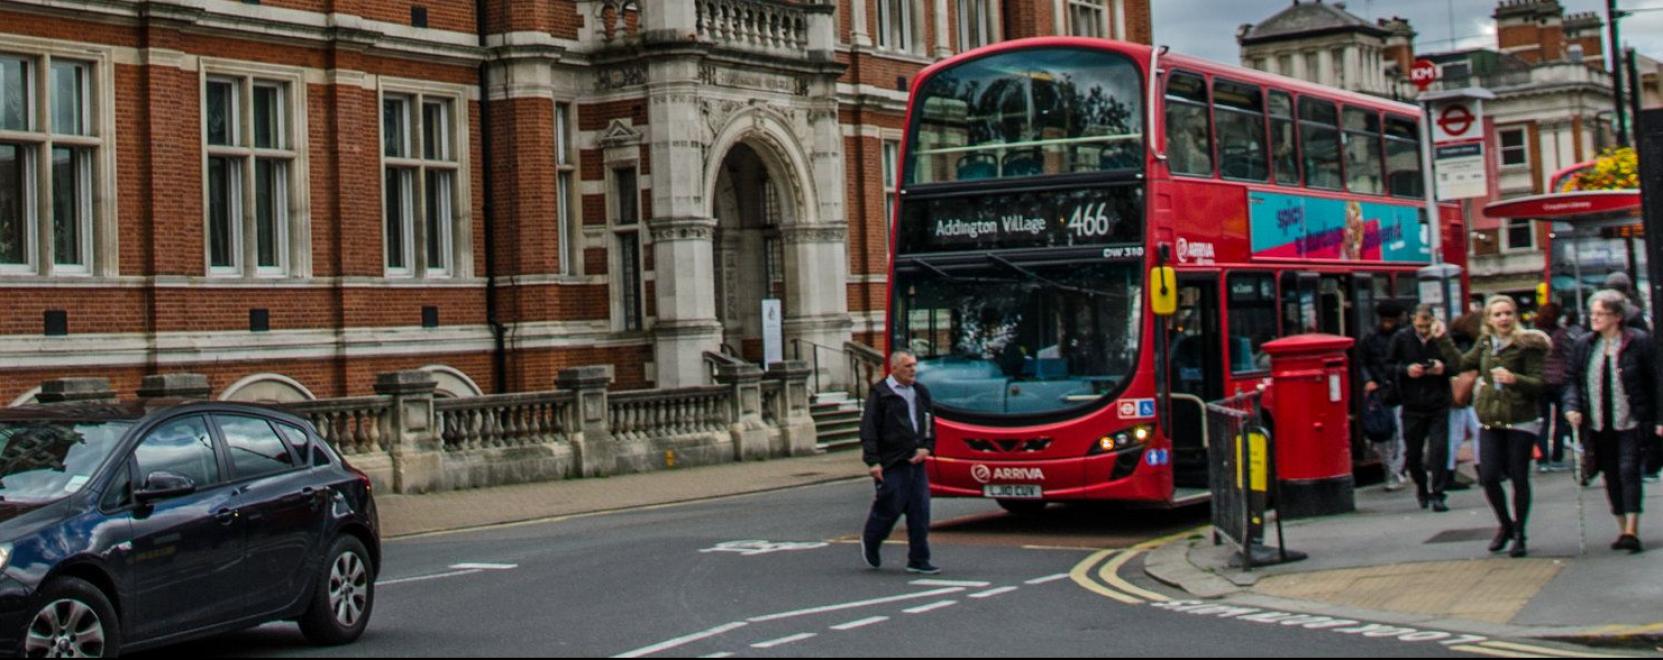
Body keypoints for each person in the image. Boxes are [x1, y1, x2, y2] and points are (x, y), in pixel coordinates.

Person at [1452, 296, 1550, 558]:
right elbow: (1462, 363)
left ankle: (1520, 533)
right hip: (1492, 417)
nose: (1503, 318)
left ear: (1515, 316)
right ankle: (1506, 525)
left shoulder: (1528, 344)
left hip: (1520, 418)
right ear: (1489, 319)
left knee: (1518, 476)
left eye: (1508, 313)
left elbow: (1539, 383)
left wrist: (1513, 378)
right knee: (1489, 475)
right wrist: (1441, 340)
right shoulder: (1485, 343)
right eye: (1497, 315)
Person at [1563, 290, 1660, 554]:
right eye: (1592, 313)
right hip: (1597, 423)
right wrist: (1572, 407)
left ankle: (1632, 530)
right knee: (1611, 475)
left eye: (1601, 314)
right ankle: (1621, 526)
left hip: (1630, 420)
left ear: (1617, 317)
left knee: (1629, 470)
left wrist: (1658, 418)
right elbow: (1572, 380)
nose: (1594, 318)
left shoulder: (1638, 342)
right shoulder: (1584, 345)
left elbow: (1655, 380)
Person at [861, 351, 940, 575]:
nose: (913, 370)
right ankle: (872, 539)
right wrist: (873, 461)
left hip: (915, 460)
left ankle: (919, 559)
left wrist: (927, 447)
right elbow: (869, 428)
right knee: (889, 507)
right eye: (907, 366)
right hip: (892, 461)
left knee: (920, 511)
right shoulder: (881, 393)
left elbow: (929, 423)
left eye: (914, 365)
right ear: (894, 368)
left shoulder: (920, 392)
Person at [1388, 305, 1463, 512]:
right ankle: (1422, 487)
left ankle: (1438, 493)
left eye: (1427, 325)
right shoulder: (1401, 339)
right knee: (1413, 454)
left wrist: (1442, 368)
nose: (1424, 330)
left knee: (1439, 450)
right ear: (1413, 320)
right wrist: (1406, 370)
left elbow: (1457, 365)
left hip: (1438, 403)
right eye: (1420, 325)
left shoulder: (1441, 338)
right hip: (1412, 404)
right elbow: (1388, 366)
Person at [1362, 301, 1408, 491]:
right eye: (1385, 320)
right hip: (1380, 390)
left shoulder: (1404, 337)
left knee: (1400, 433)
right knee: (1382, 433)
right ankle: (1390, 468)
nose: (1387, 324)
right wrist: (1367, 380)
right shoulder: (1370, 338)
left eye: (1391, 320)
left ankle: (1395, 470)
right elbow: (1362, 362)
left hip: (1400, 389)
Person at [1537, 303, 1575, 472]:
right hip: (1560, 380)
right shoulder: (1562, 334)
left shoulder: (1536, 336)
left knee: (1543, 421)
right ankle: (1557, 456)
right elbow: (1569, 356)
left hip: (1541, 381)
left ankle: (1542, 459)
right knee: (1560, 420)